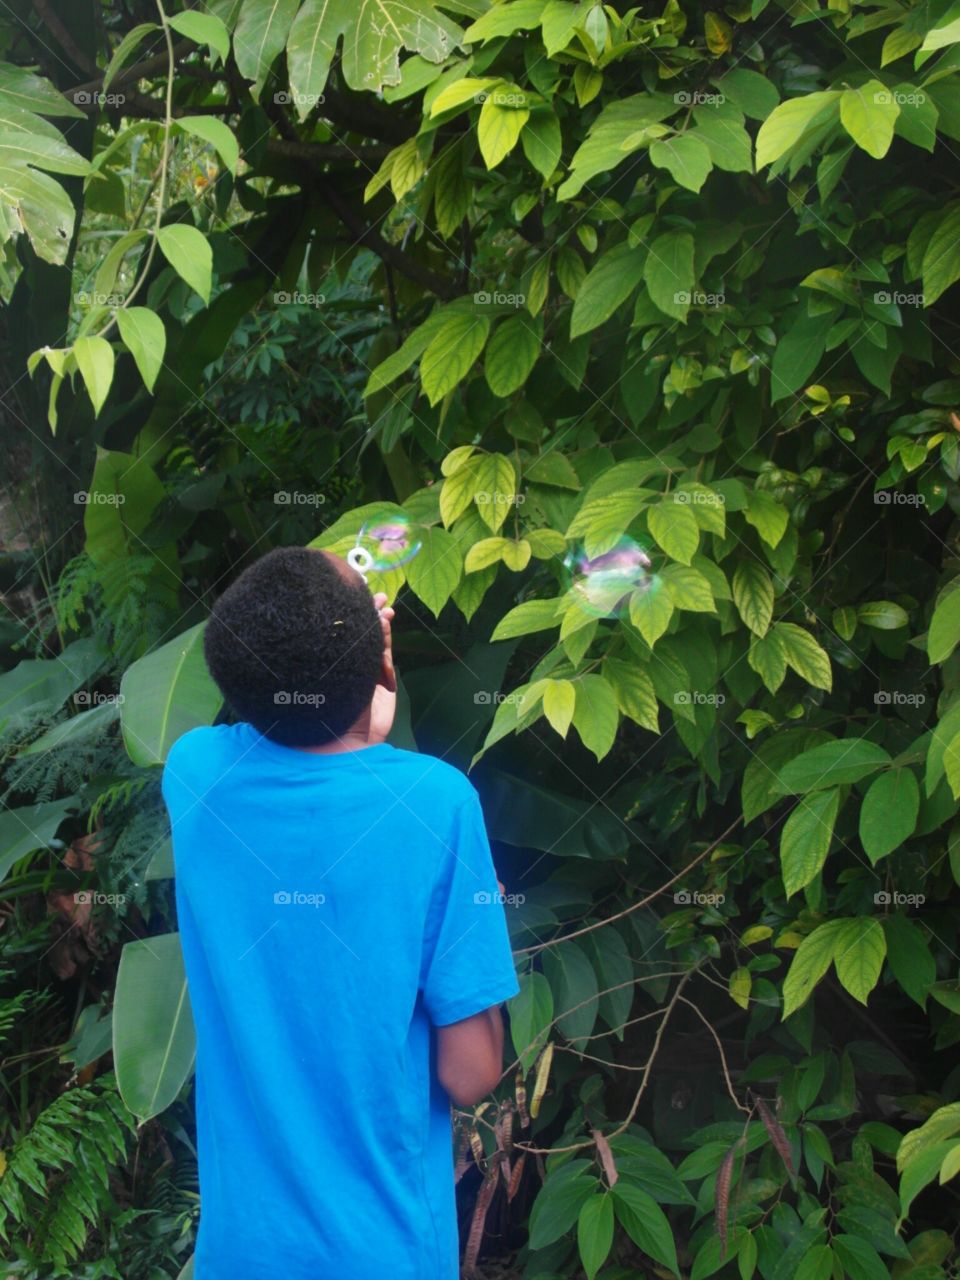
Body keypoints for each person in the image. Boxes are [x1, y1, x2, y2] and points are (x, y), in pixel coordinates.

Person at [161, 545, 519, 1280]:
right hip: (382, 1254)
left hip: (239, 1257)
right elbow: (471, 1074)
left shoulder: (195, 779)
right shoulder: (437, 806)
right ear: (380, 666)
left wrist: (352, 710)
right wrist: (364, 710)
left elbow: (277, 733)